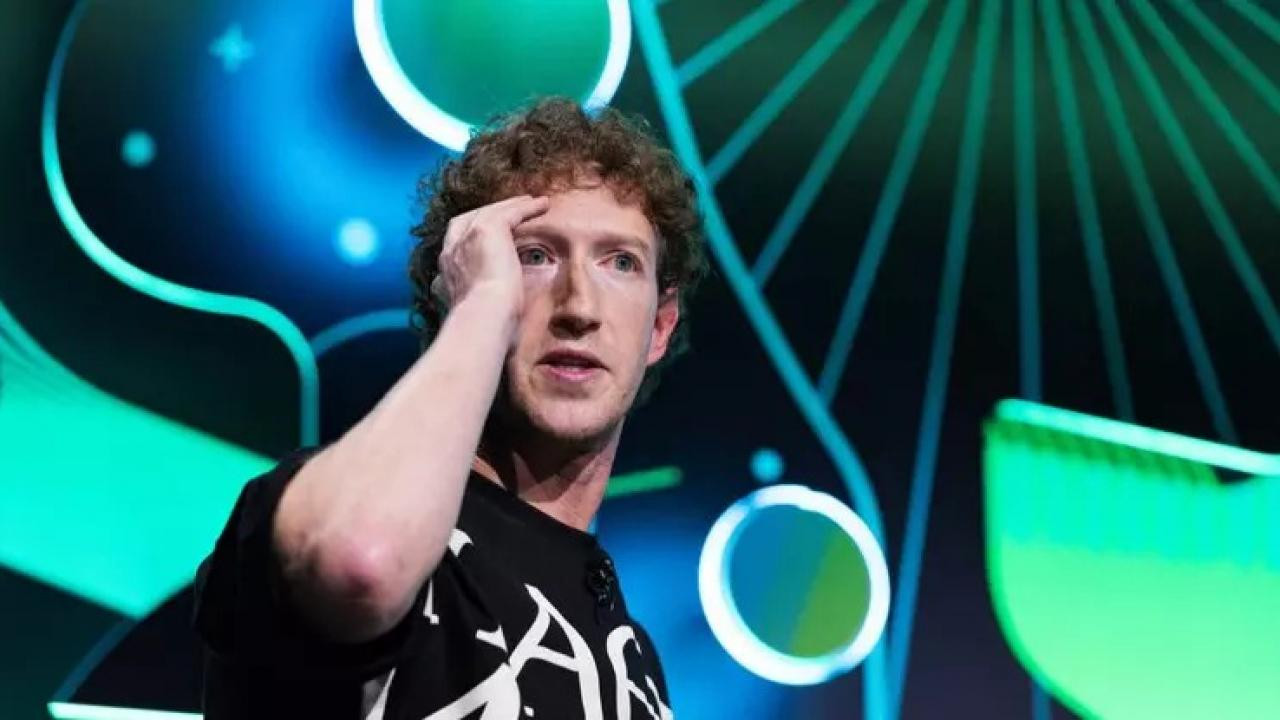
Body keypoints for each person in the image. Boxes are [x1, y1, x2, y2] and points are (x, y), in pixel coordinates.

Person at [191, 97, 708, 719]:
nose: (579, 307)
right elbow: (362, 561)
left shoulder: (635, 664)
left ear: (660, 327)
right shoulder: (326, 508)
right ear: (456, 286)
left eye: (620, 262)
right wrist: (485, 302)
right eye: (534, 255)